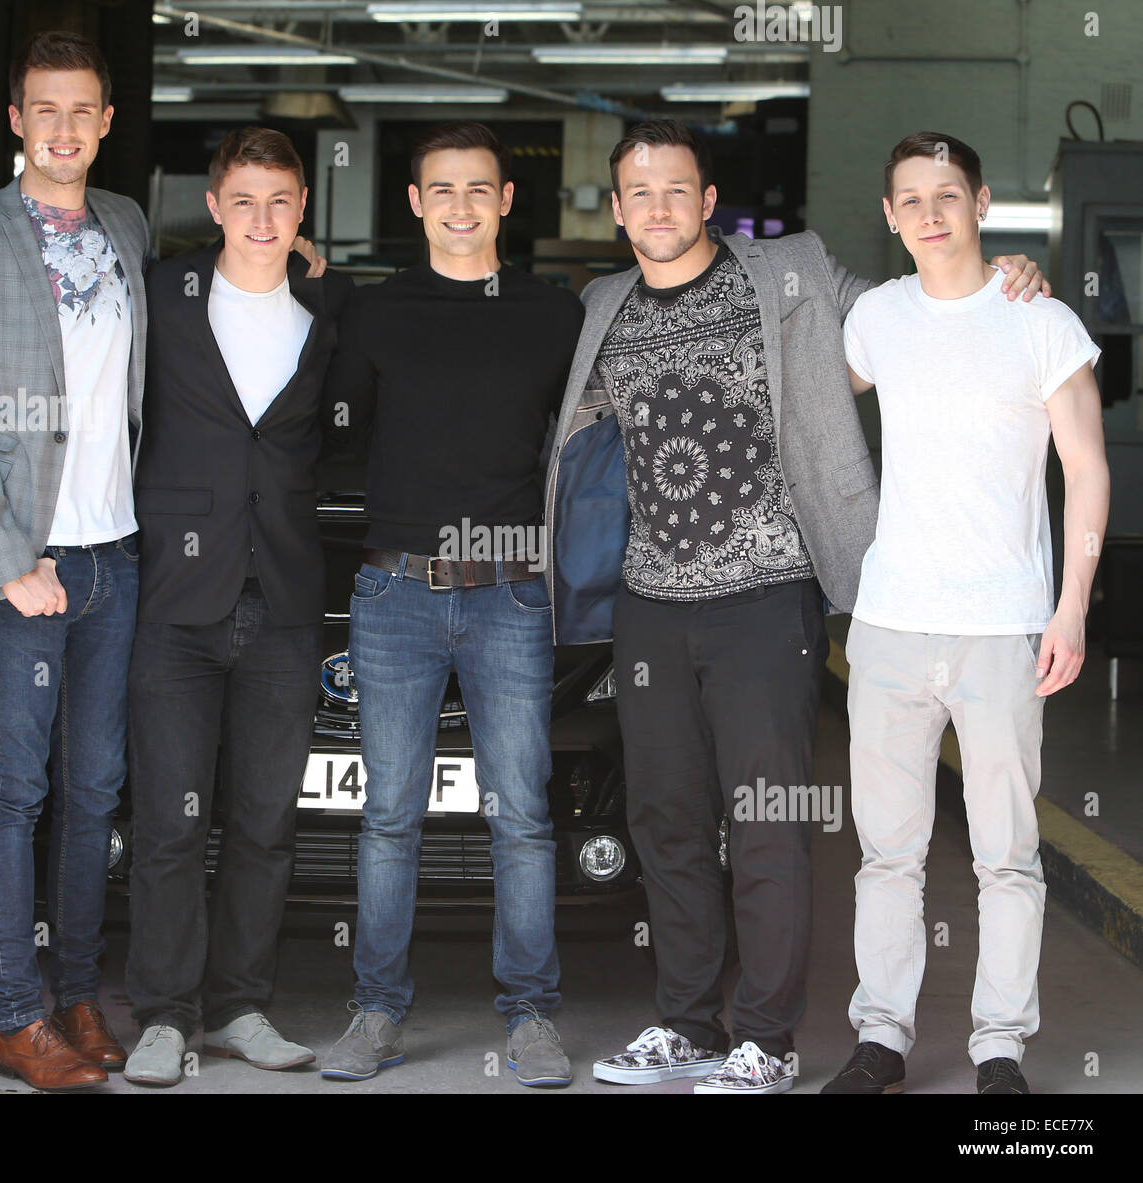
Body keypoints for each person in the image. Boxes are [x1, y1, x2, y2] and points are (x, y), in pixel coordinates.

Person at [543, 119, 1048, 1094]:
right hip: (648, 604)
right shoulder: (600, 304)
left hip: (766, 600)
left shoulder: (790, 272)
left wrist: (1003, 276)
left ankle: (765, 1039)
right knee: (666, 817)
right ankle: (686, 1023)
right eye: (638, 194)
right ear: (616, 210)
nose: (657, 208)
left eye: (675, 190)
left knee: (766, 819)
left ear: (706, 198)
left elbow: (919, 314)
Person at [822, 132, 1108, 1096]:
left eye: (949, 194)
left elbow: (1089, 468)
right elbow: (804, 393)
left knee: (1008, 853)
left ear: (981, 202)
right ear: (892, 217)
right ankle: (882, 1039)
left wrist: (1070, 609)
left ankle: (999, 1048)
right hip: (891, 622)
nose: (931, 212)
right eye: (911, 199)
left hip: (1003, 625)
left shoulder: (1043, 320)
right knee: (886, 852)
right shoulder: (874, 318)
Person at [0, 30, 149, 1091]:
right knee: (15, 786)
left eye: (80, 110)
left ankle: (79, 993)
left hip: (115, 554)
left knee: (96, 788)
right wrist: (10, 561)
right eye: (41, 110)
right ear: (17, 121)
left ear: (104, 122)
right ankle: (17, 1015)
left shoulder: (129, 226)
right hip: (20, 565)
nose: (61, 129)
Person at [318, 121, 584, 1088]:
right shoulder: (375, 315)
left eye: (480, 188)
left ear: (506, 201)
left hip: (512, 593)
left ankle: (533, 1016)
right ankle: (377, 1010)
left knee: (522, 814)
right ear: (415, 202)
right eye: (443, 189)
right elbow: (329, 427)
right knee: (389, 815)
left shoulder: (556, 316)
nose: (461, 206)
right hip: (393, 592)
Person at [121, 128, 352, 1087]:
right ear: (213, 205)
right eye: (244, 200)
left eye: (281, 202)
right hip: (177, 601)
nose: (262, 219)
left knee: (265, 819)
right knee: (173, 820)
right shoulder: (160, 298)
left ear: (304, 211)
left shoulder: (331, 313)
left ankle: (240, 1007)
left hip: (287, 601)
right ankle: (165, 1018)